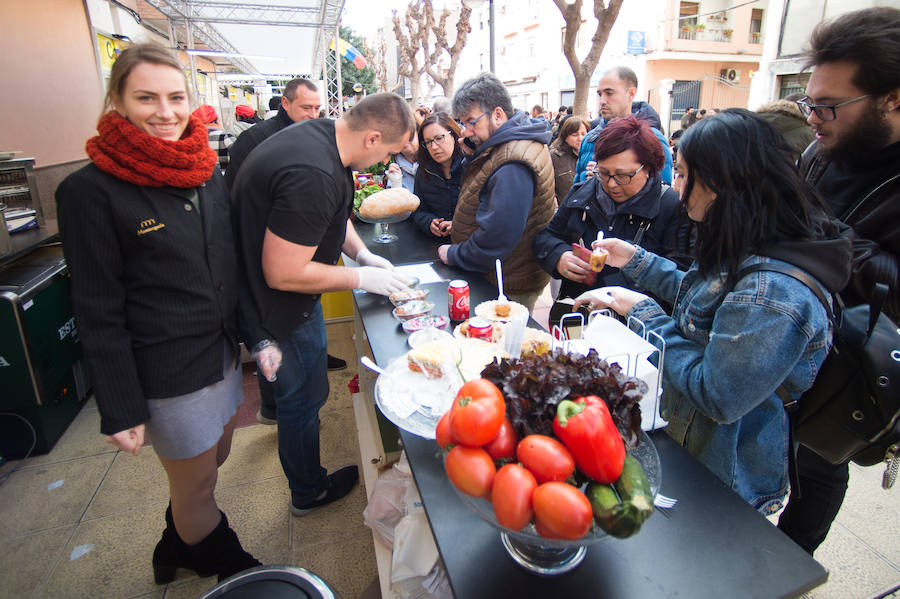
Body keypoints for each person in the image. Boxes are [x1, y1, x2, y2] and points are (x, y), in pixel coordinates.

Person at [574, 108, 852, 512]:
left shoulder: (772, 294)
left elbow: (717, 394)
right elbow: (702, 297)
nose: (675, 184)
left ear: (720, 182)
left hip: (728, 479)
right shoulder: (750, 239)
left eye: (684, 173)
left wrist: (646, 313)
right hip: (694, 445)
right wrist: (635, 260)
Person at [55, 43, 260, 584]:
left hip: (218, 352)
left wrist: (257, 338)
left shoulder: (205, 170)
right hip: (166, 368)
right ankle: (229, 564)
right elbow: (97, 309)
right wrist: (120, 407)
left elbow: (229, 263)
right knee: (197, 486)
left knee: (214, 457)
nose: (165, 112)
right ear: (118, 102)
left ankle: (175, 546)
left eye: (175, 97)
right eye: (146, 97)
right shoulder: (89, 191)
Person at [231, 92, 415, 516]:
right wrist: (360, 276)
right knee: (302, 398)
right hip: (276, 304)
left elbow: (335, 215)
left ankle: (301, 465)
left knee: (302, 391)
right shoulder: (312, 172)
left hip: (288, 296)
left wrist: (361, 253)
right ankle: (307, 491)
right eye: (387, 151)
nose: (385, 162)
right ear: (371, 138)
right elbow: (283, 271)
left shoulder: (325, 136)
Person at [777, 6, 900, 556]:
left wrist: (834, 242)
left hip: (852, 370)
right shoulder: (819, 152)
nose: (814, 118)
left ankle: (791, 558)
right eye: (810, 102)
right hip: (791, 339)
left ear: (892, 98)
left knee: (818, 464)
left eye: (828, 106)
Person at [223, 78, 343, 427]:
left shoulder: (315, 139)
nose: (314, 115)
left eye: (318, 108)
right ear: (285, 105)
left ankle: (295, 392)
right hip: (266, 259)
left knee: (299, 332)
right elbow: (237, 201)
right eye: (307, 108)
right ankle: (275, 407)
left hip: (303, 256)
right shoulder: (254, 139)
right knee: (273, 338)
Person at [535, 116, 681, 315]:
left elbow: (680, 283)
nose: (611, 184)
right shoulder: (583, 193)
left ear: (647, 168)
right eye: (603, 173)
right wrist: (559, 256)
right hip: (579, 315)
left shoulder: (669, 206)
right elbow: (546, 237)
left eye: (622, 175)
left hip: (636, 328)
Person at [437, 72, 556, 312]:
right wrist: (475, 157)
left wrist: (454, 254)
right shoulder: (510, 145)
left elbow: (496, 238)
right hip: (503, 274)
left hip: (506, 283)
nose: (465, 132)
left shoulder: (513, 163)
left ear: (498, 115)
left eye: (471, 122)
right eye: (463, 123)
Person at [576, 67, 672, 185]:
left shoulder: (651, 138)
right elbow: (577, 190)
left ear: (631, 93)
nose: (602, 100)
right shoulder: (589, 139)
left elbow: (661, 191)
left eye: (609, 93)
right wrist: (590, 184)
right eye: (600, 94)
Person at [412, 113, 465, 238]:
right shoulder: (423, 170)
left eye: (439, 138)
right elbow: (418, 210)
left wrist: (459, 225)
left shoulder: (471, 166)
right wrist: (429, 222)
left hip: (469, 243)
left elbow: (485, 212)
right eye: (428, 142)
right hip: (434, 243)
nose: (434, 147)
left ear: (453, 135)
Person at [548, 115, 589, 203]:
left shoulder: (594, 155)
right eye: (575, 135)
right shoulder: (555, 157)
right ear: (565, 137)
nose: (580, 139)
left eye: (583, 134)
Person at [192, 104, 235, 172]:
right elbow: (239, 155)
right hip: (225, 178)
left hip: (202, 179)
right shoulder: (224, 136)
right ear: (216, 120)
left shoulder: (192, 138)